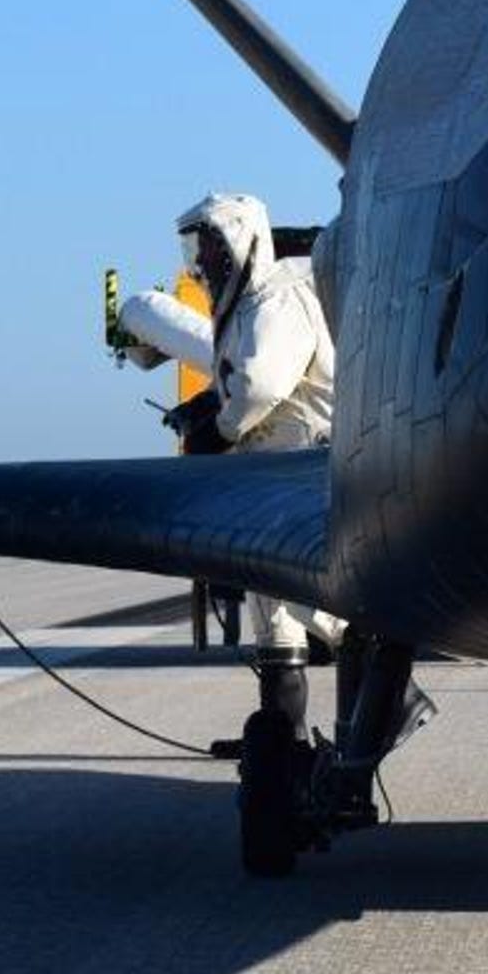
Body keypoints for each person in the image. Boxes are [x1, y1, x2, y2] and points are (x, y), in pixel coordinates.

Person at [157, 194, 338, 743]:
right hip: (269, 483)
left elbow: (259, 386)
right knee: (276, 628)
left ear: (243, 240)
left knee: (330, 613)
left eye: (210, 242)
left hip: (304, 479)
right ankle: (283, 737)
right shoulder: (243, 309)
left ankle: (373, 718)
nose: (203, 258)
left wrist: (219, 428)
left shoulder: (278, 301)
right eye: (197, 245)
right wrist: (206, 405)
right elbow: (238, 379)